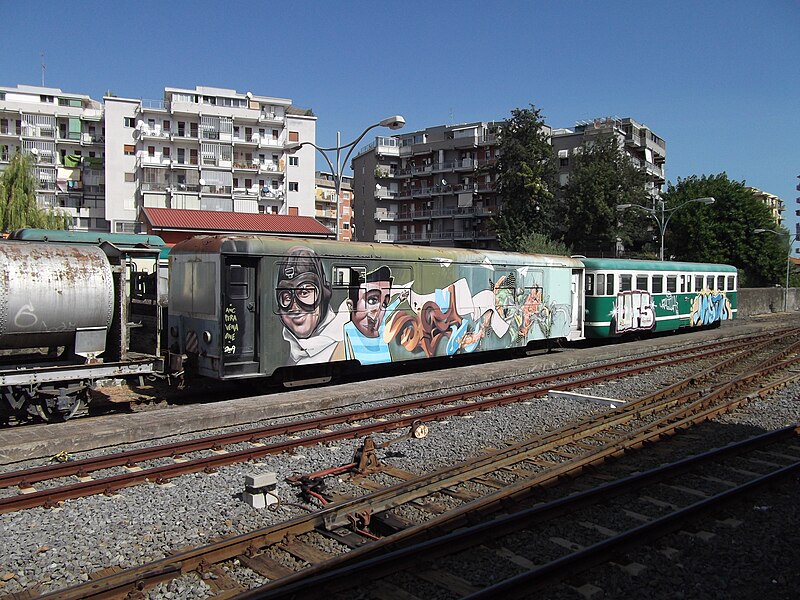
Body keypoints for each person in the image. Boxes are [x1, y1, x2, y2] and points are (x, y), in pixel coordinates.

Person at [275, 246, 348, 365]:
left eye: (304, 293)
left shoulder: (341, 342)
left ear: (323, 294)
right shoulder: (291, 349)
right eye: (287, 297)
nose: (295, 308)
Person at [343, 266, 407, 365]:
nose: (378, 311)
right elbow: (347, 353)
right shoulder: (348, 328)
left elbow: (389, 310)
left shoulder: (381, 324)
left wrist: (399, 299)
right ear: (351, 306)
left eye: (384, 304)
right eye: (372, 300)